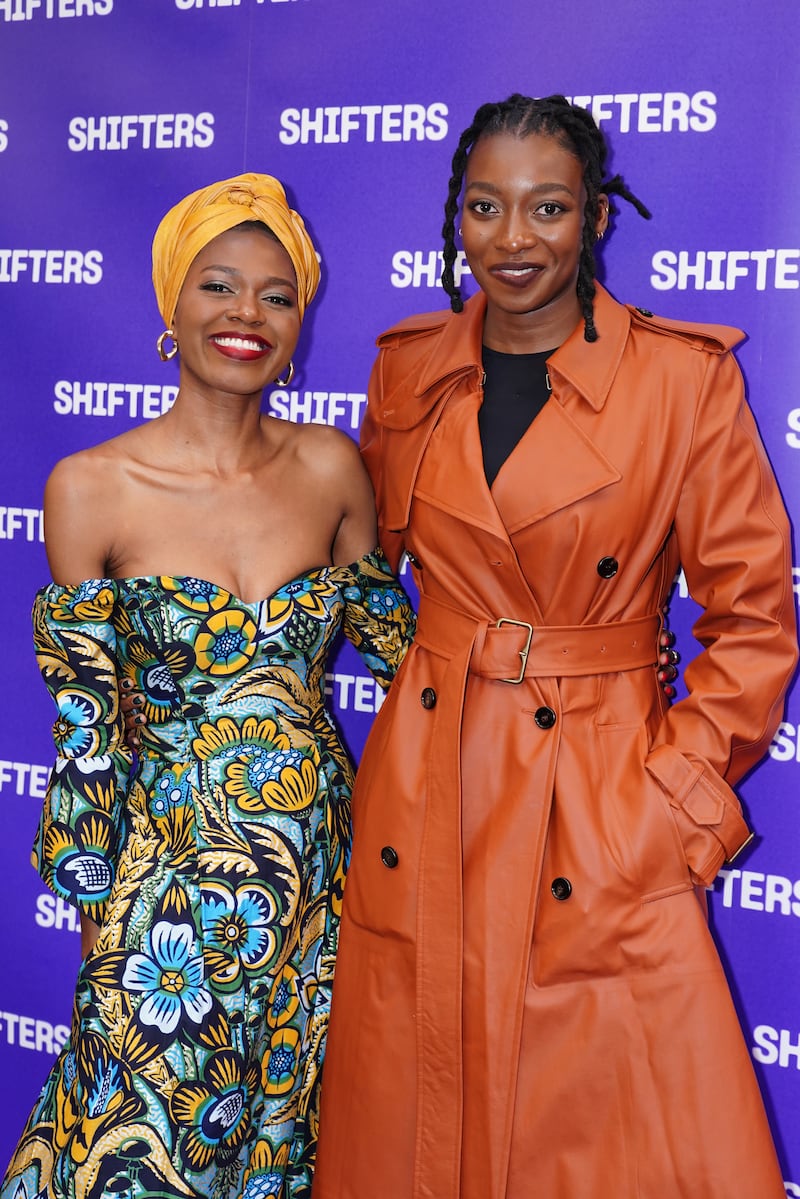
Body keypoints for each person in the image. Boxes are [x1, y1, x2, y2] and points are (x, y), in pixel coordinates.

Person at [312, 94, 798, 1199]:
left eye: (546, 207)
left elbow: (753, 617)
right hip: (428, 779)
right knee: (414, 1099)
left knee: (607, 1122)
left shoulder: (678, 380)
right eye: (484, 207)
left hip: (597, 785)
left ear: (591, 218)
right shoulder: (408, 370)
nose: (512, 238)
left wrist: (668, 798)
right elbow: (348, 561)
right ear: (456, 216)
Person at [1, 174, 415, 1199]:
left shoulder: (333, 468)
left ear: (300, 317)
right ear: (169, 305)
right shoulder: (90, 485)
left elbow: (407, 653)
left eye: (275, 295)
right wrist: (100, 924)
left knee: (281, 1159)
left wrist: (592, 646)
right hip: (168, 913)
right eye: (216, 286)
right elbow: (88, 730)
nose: (244, 314)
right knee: (135, 1158)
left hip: (318, 891)